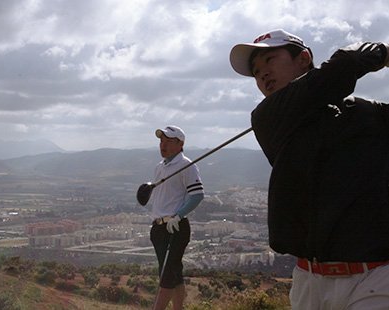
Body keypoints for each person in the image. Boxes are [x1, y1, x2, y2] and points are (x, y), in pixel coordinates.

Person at [229, 29, 389, 309]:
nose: (262, 74)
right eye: (256, 71)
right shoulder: (267, 116)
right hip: (309, 281)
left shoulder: (369, 114)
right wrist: (384, 52)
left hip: (376, 276)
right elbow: (343, 67)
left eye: (269, 60)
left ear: (304, 59)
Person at [149, 125, 204, 310]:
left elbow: (197, 195)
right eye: (161, 142)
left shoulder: (187, 165)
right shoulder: (160, 167)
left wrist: (178, 215)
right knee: (175, 274)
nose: (162, 146)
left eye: (168, 142)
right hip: (159, 228)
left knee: (166, 277)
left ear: (180, 144)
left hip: (175, 228)